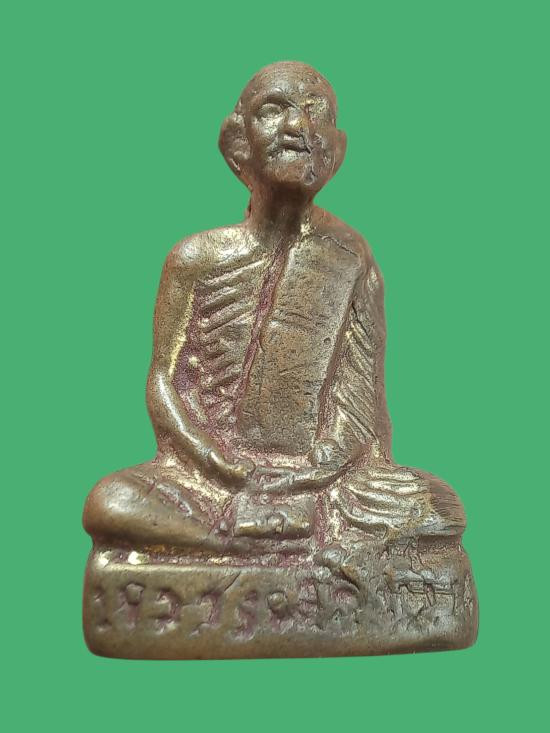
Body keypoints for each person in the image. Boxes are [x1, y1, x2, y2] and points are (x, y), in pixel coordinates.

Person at [84, 62, 465, 554]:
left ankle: (251, 538)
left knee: (437, 506)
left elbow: (362, 405)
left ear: (337, 150)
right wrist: (215, 462)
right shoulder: (195, 258)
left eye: (315, 112)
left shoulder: (350, 257)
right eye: (273, 110)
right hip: (210, 478)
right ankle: (253, 540)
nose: (297, 126)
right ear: (237, 144)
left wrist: (315, 472)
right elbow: (163, 383)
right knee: (112, 500)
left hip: (324, 483)